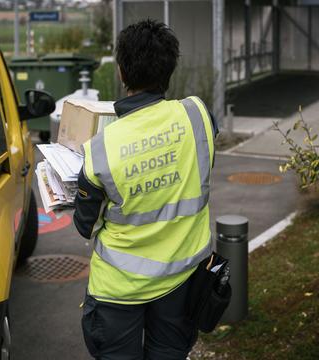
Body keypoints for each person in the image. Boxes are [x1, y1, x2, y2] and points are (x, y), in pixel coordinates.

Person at [73, 19, 218, 360]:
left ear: (121, 73)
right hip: (182, 283)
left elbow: (87, 226)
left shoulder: (100, 149)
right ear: (170, 69)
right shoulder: (199, 116)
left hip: (118, 293)